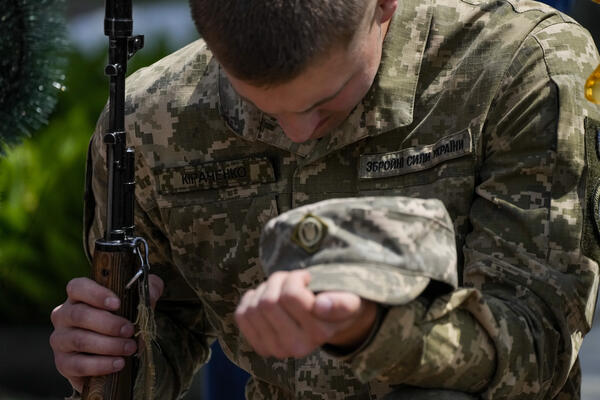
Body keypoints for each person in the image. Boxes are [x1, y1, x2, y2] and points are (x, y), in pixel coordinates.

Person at [49, 0, 600, 398]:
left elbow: (537, 343)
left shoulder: (522, 64)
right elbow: (169, 323)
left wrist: (371, 326)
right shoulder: (154, 121)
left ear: (383, 6)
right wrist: (112, 353)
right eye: (260, 106)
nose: (296, 132)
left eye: (328, 102)